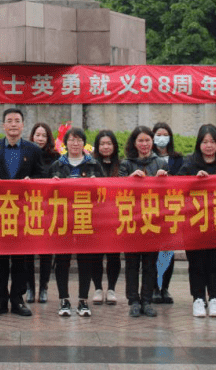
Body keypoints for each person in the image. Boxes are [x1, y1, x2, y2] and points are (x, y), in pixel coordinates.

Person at [0, 107, 44, 317]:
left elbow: (41, 175)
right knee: (0, 260)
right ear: (3, 126)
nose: (14, 124)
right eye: (9, 120)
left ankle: (18, 300)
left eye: (17, 120)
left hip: (23, 212)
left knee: (21, 259)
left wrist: (31, 181)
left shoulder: (33, 150)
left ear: (23, 125)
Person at [176, 123, 216, 318]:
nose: (209, 146)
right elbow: (177, 188)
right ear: (199, 144)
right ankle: (198, 298)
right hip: (194, 224)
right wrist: (193, 179)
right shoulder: (190, 164)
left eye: (212, 142)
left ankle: (215, 297)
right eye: (205, 142)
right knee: (197, 263)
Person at [48, 127, 102, 317]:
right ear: (65, 143)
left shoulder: (94, 165)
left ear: (84, 143)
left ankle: (83, 300)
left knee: (85, 260)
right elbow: (46, 195)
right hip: (62, 220)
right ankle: (64, 299)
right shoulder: (57, 165)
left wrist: (97, 185)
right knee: (62, 260)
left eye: (79, 140)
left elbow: (105, 194)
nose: (75, 143)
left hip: (86, 219)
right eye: (71, 140)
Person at [119, 125, 168, 318]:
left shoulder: (161, 163)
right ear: (134, 143)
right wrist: (130, 179)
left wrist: (164, 179)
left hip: (153, 220)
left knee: (150, 263)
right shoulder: (126, 164)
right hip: (131, 220)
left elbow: (169, 193)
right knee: (132, 263)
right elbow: (117, 190)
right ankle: (133, 300)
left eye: (148, 140)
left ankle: (147, 300)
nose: (145, 144)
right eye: (140, 140)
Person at [24, 122, 59, 303]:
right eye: (37, 135)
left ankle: (44, 286)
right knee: (28, 251)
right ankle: (30, 287)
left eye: (43, 136)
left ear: (48, 139)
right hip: (28, 209)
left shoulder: (56, 158)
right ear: (32, 137)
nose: (40, 138)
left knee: (46, 250)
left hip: (48, 210)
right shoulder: (25, 154)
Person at [151, 121, 183, 304]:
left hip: (172, 209)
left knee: (168, 251)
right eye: (158, 134)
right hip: (152, 210)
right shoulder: (147, 157)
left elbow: (183, 179)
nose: (161, 137)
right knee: (154, 251)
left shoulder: (178, 159)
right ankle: (154, 286)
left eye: (165, 134)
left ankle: (165, 288)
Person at [91, 129, 122, 305]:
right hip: (95, 217)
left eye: (109, 143)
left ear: (114, 146)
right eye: (102, 144)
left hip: (115, 217)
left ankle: (111, 288)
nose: (105, 147)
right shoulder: (90, 164)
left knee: (113, 255)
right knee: (95, 254)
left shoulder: (122, 164)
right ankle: (97, 288)